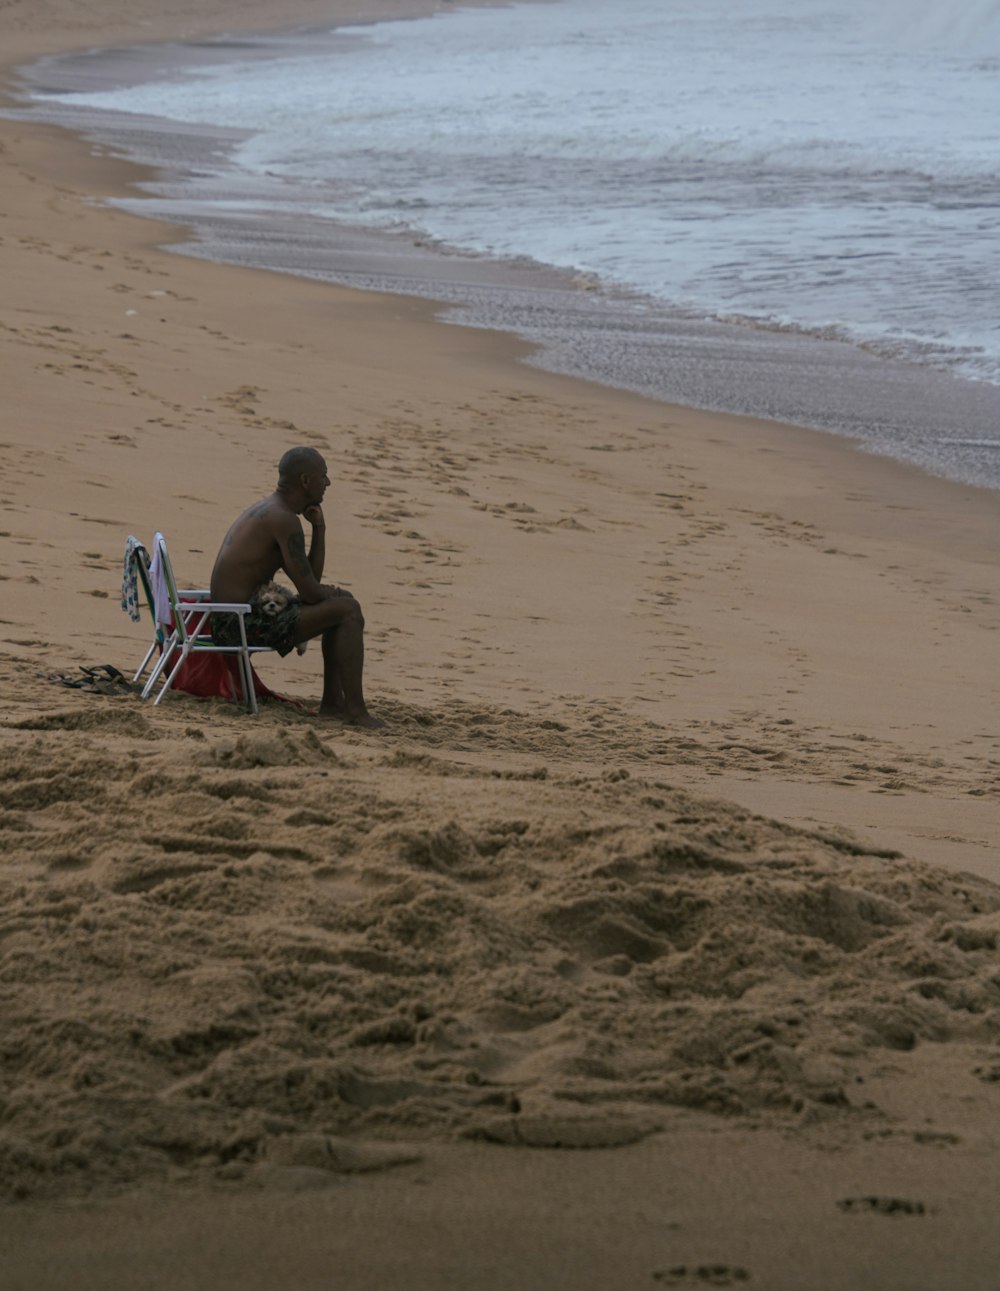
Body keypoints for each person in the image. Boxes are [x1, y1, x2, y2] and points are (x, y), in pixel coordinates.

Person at [210, 446, 383, 728]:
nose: (327, 483)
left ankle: (334, 705)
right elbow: (311, 593)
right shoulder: (284, 520)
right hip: (239, 624)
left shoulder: (274, 510)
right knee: (348, 610)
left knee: (343, 604)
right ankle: (354, 711)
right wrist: (331, 593)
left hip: (236, 616)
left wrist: (319, 530)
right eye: (323, 476)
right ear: (305, 481)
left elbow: (310, 581)